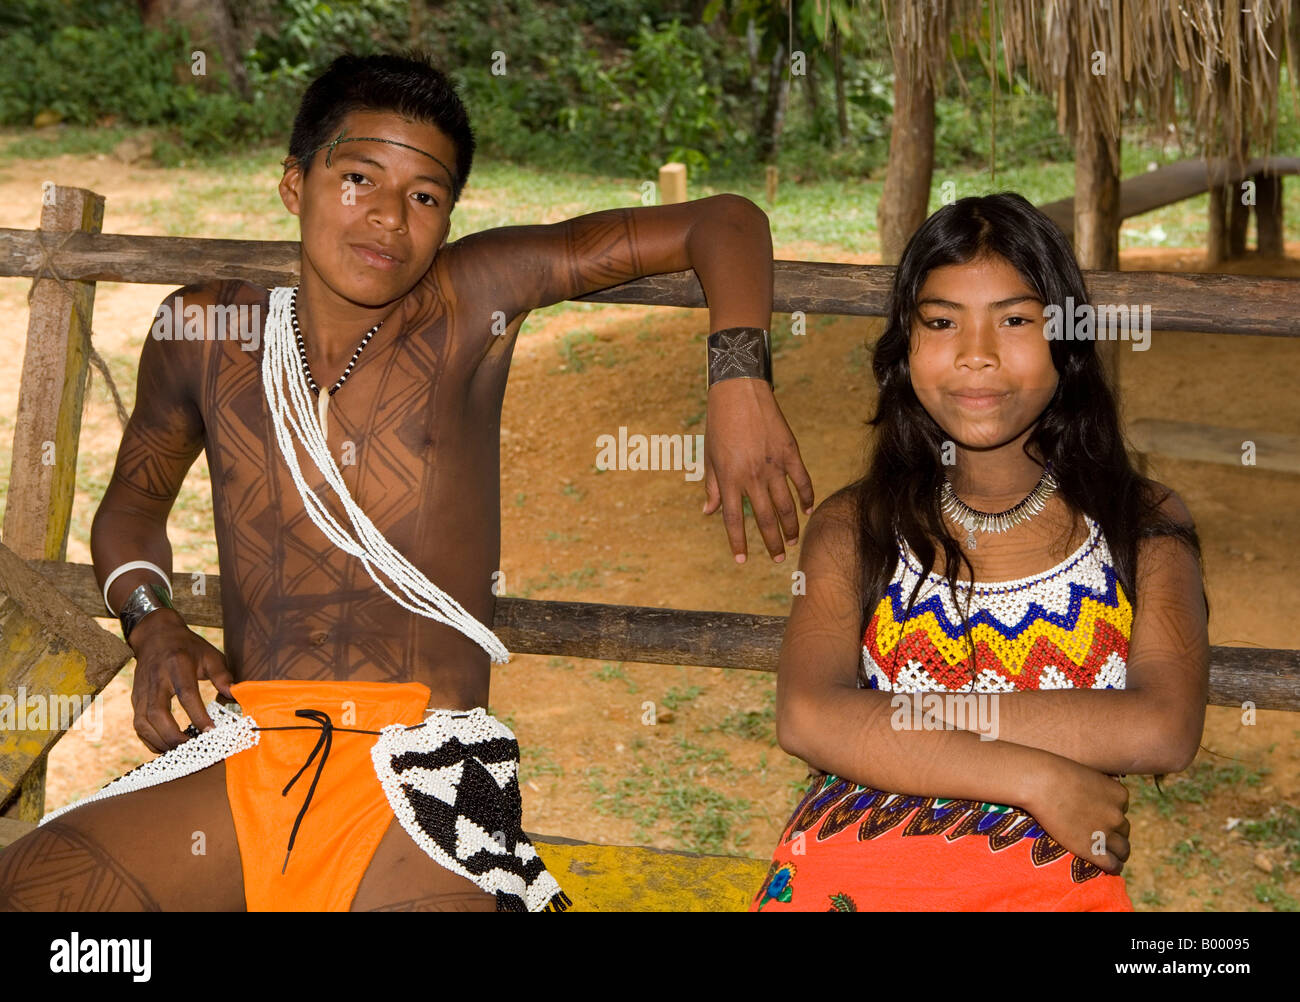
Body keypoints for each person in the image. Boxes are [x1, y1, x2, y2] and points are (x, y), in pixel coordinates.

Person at [0, 50, 812, 913]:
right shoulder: (206, 328)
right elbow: (130, 510)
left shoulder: (471, 300)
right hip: (248, 758)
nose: (389, 217)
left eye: (425, 195)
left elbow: (722, 221)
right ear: (294, 184)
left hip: (424, 773)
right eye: (358, 177)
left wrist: (738, 377)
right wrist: (150, 620)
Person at [751, 192, 1209, 912]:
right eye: (941, 322)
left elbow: (1162, 728)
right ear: (906, 343)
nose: (977, 355)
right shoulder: (853, 526)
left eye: (1016, 319)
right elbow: (807, 716)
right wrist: (1036, 778)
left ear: (1066, 338)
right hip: (845, 888)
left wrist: (889, 720)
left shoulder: (1138, 523)